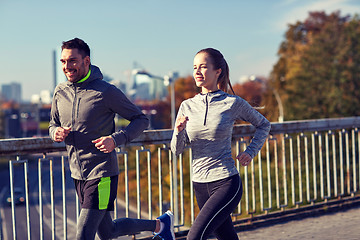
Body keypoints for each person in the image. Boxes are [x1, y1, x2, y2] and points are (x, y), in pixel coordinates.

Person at [49, 38, 175, 240]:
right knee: (109, 231)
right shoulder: (60, 92)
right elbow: (52, 124)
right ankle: (161, 225)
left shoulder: (106, 91)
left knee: (83, 234)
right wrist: (55, 132)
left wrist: (116, 139)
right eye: (63, 61)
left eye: (72, 60)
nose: (66, 66)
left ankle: (161, 225)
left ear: (86, 61)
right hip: (78, 174)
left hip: (102, 174)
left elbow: (141, 120)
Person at [171, 48, 271, 240]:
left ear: (218, 71)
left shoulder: (232, 103)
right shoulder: (187, 106)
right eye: (194, 67)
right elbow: (176, 150)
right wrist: (179, 131)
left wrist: (250, 152)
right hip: (199, 183)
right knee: (226, 236)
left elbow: (263, 125)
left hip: (226, 181)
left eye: (203, 67)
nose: (197, 72)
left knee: (195, 237)